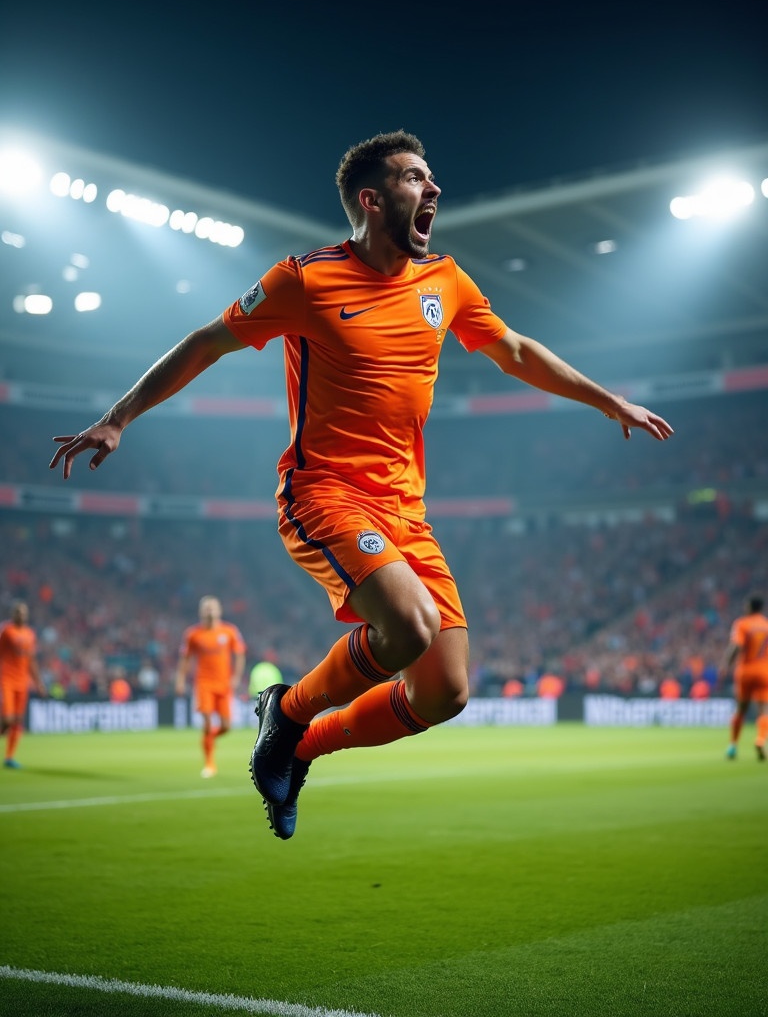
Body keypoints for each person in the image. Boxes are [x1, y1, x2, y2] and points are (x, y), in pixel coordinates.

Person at [49, 130, 674, 837]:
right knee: (408, 626)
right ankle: (285, 712)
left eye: (432, 178)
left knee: (446, 692)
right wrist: (118, 417)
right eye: (415, 179)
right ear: (372, 201)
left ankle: (296, 749)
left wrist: (607, 400)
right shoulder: (304, 279)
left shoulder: (445, 282)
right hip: (325, 495)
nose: (433, 189)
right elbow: (205, 342)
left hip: (408, 512)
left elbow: (517, 350)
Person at [174, 595, 246, 777]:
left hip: (224, 685)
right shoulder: (193, 634)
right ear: (200, 612)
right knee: (206, 723)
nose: (210, 611)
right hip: (204, 683)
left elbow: (240, 655)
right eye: (206, 608)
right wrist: (180, 680)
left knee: (226, 727)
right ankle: (209, 764)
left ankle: (210, 738)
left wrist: (236, 677)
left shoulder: (229, 631)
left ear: (219, 610)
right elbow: (185, 659)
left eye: (212, 608)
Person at [719, 594, 768, 761]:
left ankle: (733, 746)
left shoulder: (742, 623)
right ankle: (760, 740)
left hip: (746, 670)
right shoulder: (766, 625)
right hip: (764, 671)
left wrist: (726, 663)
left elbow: (736, 646)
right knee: (763, 710)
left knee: (741, 709)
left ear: (749, 607)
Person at [0, 600, 47, 769]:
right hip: (7, 679)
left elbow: (31, 661)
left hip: (22, 682)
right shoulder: (6, 631)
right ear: (13, 614)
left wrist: (38, 683)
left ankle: (9, 757)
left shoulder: (30, 634)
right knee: (8, 719)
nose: (21, 615)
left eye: (24, 612)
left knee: (18, 721)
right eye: (18, 612)